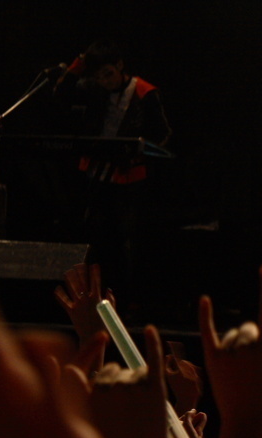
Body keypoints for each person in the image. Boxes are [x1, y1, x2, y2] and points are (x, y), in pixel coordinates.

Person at [54, 39, 172, 302]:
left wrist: (136, 150)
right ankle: (93, 297)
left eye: (108, 74)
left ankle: (130, 300)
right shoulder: (94, 88)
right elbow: (61, 93)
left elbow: (162, 134)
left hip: (129, 178)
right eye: (99, 76)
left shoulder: (144, 91)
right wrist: (78, 64)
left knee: (127, 242)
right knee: (93, 238)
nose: (105, 81)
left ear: (120, 66)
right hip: (95, 173)